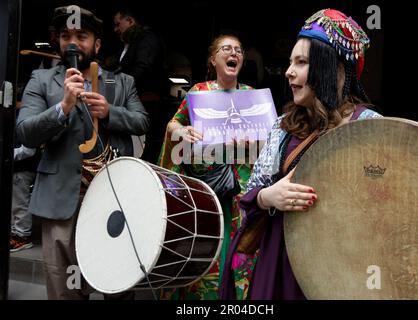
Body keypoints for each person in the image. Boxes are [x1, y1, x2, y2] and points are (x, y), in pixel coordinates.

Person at [220, 9, 382, 300]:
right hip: (283, 262)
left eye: (302, 62)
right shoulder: (283, 128)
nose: (289, 71)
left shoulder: (369, 125)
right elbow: (252, 192)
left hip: (344, 265)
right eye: (290, 62)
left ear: (331, 68)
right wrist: (268, 197)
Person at [16, 5, 149, 299]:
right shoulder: (42, 81)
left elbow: (143, 122)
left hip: (113, 200)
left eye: (82, 35)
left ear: (97, 44)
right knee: (65, 290)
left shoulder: (122, 82)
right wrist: (62, 107)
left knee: (118, 285)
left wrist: (110, 111)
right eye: (65, 35)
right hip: (62, 199)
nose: (73, 42)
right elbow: (24, 131)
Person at [158, 35, 258, 300]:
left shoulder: (251, 96)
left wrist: (253, 142)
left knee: (237, 250)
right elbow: (172, 125)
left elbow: (268, 140)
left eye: (238, 50)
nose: (233, 53)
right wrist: (183, 130)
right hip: (204, 190)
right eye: (226, 49)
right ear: (213, 59)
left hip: (241, 190)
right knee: (204, 247)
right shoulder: (198, 92)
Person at [112, 6, 168, 164]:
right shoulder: (128, 44)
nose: (115, 29)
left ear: (130, 21)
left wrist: (121, 89)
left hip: (147, 101)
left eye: (118, 24)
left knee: (148, 143)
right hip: (135, 99)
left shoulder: (147, 38)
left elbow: (142, 68)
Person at [10, 142, 40, 252]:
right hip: (18, 168)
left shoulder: (26, 127)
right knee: (15, 203)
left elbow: (29, 150)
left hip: (22, 168)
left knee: (20, 203)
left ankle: (22, 237)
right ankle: (16, 234)